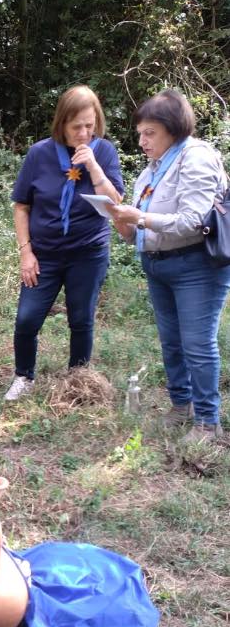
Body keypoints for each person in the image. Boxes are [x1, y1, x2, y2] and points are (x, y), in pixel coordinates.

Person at [108, 89, 229, 442]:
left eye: (150, 133)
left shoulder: (196, 157)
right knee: (171, 342)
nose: (142, 141)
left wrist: (141, 218)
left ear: (173, 129)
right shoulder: (150, 171)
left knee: (197, 344)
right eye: (140, 133)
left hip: (197, 266)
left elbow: (195, 220)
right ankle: (181, 407)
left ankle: (208, 423)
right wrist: (123, 222)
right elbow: (139, 231)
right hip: (158, 265)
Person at [4, 85, 124, 401]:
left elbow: (115, 204)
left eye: (90, 125)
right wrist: (26, 252)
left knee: (81, 318)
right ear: (62, 124)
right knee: (27, 318)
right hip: (44, 254)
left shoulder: (105, 151)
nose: (84, 133)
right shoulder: (39, 154)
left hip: (88, 252)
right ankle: (23, 377)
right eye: (76, 127)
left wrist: (94, 167)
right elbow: (21, 206)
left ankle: (78, 382)